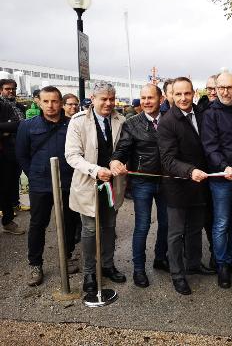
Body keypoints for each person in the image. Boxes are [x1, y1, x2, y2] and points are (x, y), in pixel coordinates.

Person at [65, 82, 127, 295]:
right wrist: (94, 170)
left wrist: (120, 163)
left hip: (113, 184)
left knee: (110, 226)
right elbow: (72, 155)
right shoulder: (78, 121)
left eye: (112, 98)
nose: (109, 103)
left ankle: (107, 265)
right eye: (104, 99)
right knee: (90, 229)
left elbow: (125, 149)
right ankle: (90, 272)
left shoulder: (121, 120)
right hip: (88, 183)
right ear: (93, 99)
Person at [16, 86, 80, 286]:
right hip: (40, 184)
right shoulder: (27, 126)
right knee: (38, 224)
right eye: (46, 101)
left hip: (68, 183)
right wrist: (34, 175)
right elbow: (21, 154)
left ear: (61, 103)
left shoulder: (72, 125)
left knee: (69, 222)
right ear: (39, 102)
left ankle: (66, 256)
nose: (50, 105)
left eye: (54, 101)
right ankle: (35, 264)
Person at [158, 77, 215, 295]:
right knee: (176, 233)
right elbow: (168, 160)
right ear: (172, 95)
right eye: (178, 94)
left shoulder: (201, 114)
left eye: (187, 93)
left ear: (194, 93)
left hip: (200, 184)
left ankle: (194, 263)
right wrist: (190, 171)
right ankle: (177, 275)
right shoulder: (167, 121)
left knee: (195, 228)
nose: (183, 98)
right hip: (178, 185)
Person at [110, 84, 169, 288]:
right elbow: (123, 148)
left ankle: (161, 258)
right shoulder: (132, 122)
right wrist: (116, 160)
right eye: (143, 98)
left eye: (150, 97)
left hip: (167, 181)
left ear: (161, 99)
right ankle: (138, 269)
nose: (146, 101)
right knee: (142, 226)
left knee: (166, 224)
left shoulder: (170, 120)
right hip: (142, 181)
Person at [201, 72, 232, 289]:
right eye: (221, 87)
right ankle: (221, 264)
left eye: (229, 87)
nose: (224, 91)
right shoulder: (210, 113)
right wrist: (224, 167)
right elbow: (210, 146)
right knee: (221, 223)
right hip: (221, 178)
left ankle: (231, 259)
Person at [0, 79, 28, 213]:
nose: (11, 91)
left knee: (15, 178)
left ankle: (14, 204)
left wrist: (10, 128)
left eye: (13, 88)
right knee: (5, 181)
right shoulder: (1, 105)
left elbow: (20, 125)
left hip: (18, 147)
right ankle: (5, 210)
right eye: (7, 89)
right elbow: (16, 125)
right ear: (1, 90)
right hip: (4, 149)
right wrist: (13, 126)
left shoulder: (19, 106)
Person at [0, 93, 23, 234]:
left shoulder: (5, 106)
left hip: (4, 155)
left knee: (5, 188)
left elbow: (16, 124)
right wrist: (4, 130)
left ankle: (8, 221)